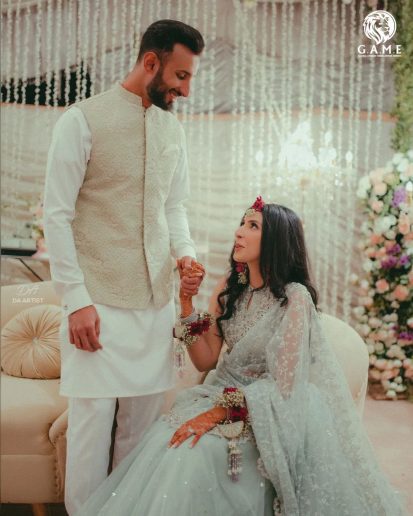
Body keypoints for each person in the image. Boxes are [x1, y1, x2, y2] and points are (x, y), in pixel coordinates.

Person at [75, 199, 406, 516]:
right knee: (166, 438)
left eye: (252, 226)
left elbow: (284, 385)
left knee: (194, 452)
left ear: (276, 239)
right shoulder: (230, 287)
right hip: (217, 395)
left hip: (265, 412)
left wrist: (217, 414)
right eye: (241, 223)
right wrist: (187, 304)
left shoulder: (294, 298)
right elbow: (205, 360)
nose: (239, 232)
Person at [43, 19, 205, 515]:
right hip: (97, 302)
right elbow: (56, 215)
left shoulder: (173, 130)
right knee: (91, 426)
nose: (185, 90)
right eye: (180, 76)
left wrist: (186, 252)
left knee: (141, 428)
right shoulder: (82, 120)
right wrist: (76, 301)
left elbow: (173, 206)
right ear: (150, 62)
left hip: (155, 303)